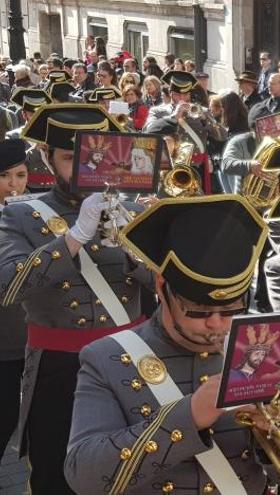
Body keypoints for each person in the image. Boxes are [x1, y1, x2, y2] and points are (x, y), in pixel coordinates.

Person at [63, 194, 280, 494]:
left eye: (232, 310)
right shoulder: (106, 357)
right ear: (161, 287)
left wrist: (272, 435)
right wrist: (189, 415)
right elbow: (83, 476)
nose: (217, 323)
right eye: (199, 311)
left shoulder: (267, 346)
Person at [0, 105, 146, 495]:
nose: (85, 171)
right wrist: (74, 237)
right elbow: (8, 286)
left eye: (94, 161)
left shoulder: (133, 210)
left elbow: (169, 290)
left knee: (130, 473)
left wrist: (139, 246)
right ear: (47, 157)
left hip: (129, 361)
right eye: (70, 159)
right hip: (59, 369)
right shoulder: (21, 214)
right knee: (55, 475)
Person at [0, 141, 30, 461]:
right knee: (5, 415)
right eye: (5, 176)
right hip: (4, 344)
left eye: (20, 175)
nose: (14, 185)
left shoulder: (38, 212)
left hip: (35, 334)